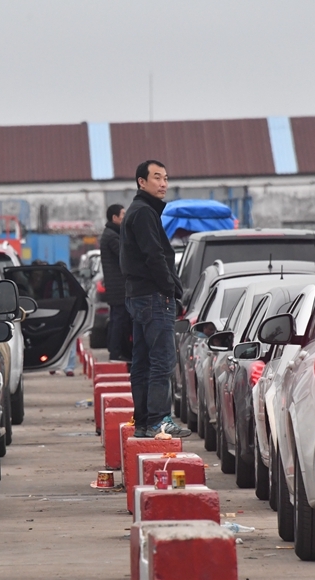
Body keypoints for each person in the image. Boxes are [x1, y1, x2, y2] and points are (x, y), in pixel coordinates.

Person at [120, 160, 191, 439]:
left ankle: (143, 422)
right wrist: (171, 289)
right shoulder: (144, 213)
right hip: (152, 296)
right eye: (157, 178)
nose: (163, 184)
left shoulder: (138, 211)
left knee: (143, 362)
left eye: (166, 178)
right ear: (141, 182)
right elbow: (154, 256)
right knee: (161, 361)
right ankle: (159, 422)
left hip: (139, 296)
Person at [99, 203, 132, 363]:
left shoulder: (112, 234)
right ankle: (115, 354)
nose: (125, 218)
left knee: (117, 320)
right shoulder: (112, 236)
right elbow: (125, 255)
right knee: (119, 321)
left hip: (117, 287)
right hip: (118, 287)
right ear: (114, 218)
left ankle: (116, 352)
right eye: (123, 215)